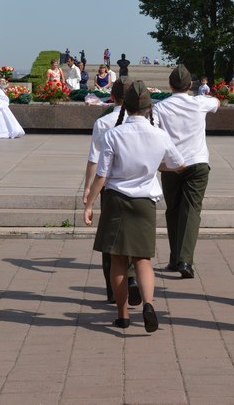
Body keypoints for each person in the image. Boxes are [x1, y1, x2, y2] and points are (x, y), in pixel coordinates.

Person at [84, 80, 185, 331]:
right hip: (145, 200)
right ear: (149, 108)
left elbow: (102, 175)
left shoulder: (114, 134)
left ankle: (123, 314)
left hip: (118, 199)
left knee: (118, 260)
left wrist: (89, 203)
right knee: (143, 259)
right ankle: (148, 304)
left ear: (124, 107)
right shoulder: (159, 134)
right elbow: (179, 163)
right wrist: (154, 166)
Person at [153, 64, 220, 278]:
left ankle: (175, 259)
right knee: (191, 212)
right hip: (197, 164)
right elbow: (216, 102)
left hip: (172, 165)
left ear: (170, 85)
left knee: (173, 210)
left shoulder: (160, 108)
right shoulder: (199, 103)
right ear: (190, 85)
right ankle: (185, 261)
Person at [82, 77, 140, 306]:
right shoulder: (144, 122)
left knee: (110, 239)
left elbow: (94, 160)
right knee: (134, 237)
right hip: (139, 187)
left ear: (112, 96)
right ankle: (133, 277)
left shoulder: (104, 123)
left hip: (110, 188)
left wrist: (88, 189)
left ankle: (112, 289)